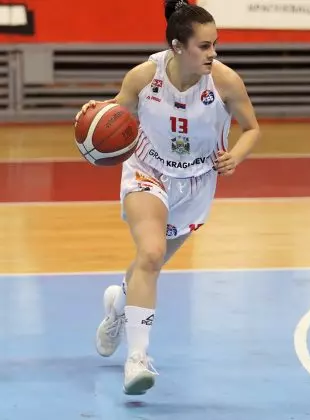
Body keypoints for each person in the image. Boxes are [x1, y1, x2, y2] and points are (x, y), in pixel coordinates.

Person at [76, 0, 261, 395]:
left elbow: (252, 129)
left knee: (151, 262)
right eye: (204, 46)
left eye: (215, 44)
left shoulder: (226, 82)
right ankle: (137, 359)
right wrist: (96, 110)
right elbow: (116, 114)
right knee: (151, 253)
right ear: (178, 46)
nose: (213, 53)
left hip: (195, 183)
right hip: (147, 172)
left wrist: (236, 156)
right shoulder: (144, 77)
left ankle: (118, 307)